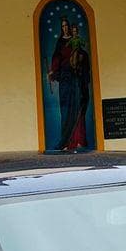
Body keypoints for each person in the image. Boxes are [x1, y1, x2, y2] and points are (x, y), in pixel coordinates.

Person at [48, 17, 91, 151]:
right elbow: (56, 59)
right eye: (63, 26)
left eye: (67, 26)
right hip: (65, 80)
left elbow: (81, 59)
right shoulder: (60, 42)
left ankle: (78, 140)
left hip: (75, 79)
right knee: (66, 111)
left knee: (77, 108)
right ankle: (66, 141)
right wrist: (53, 72)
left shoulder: (75, 43)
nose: (65, 28)